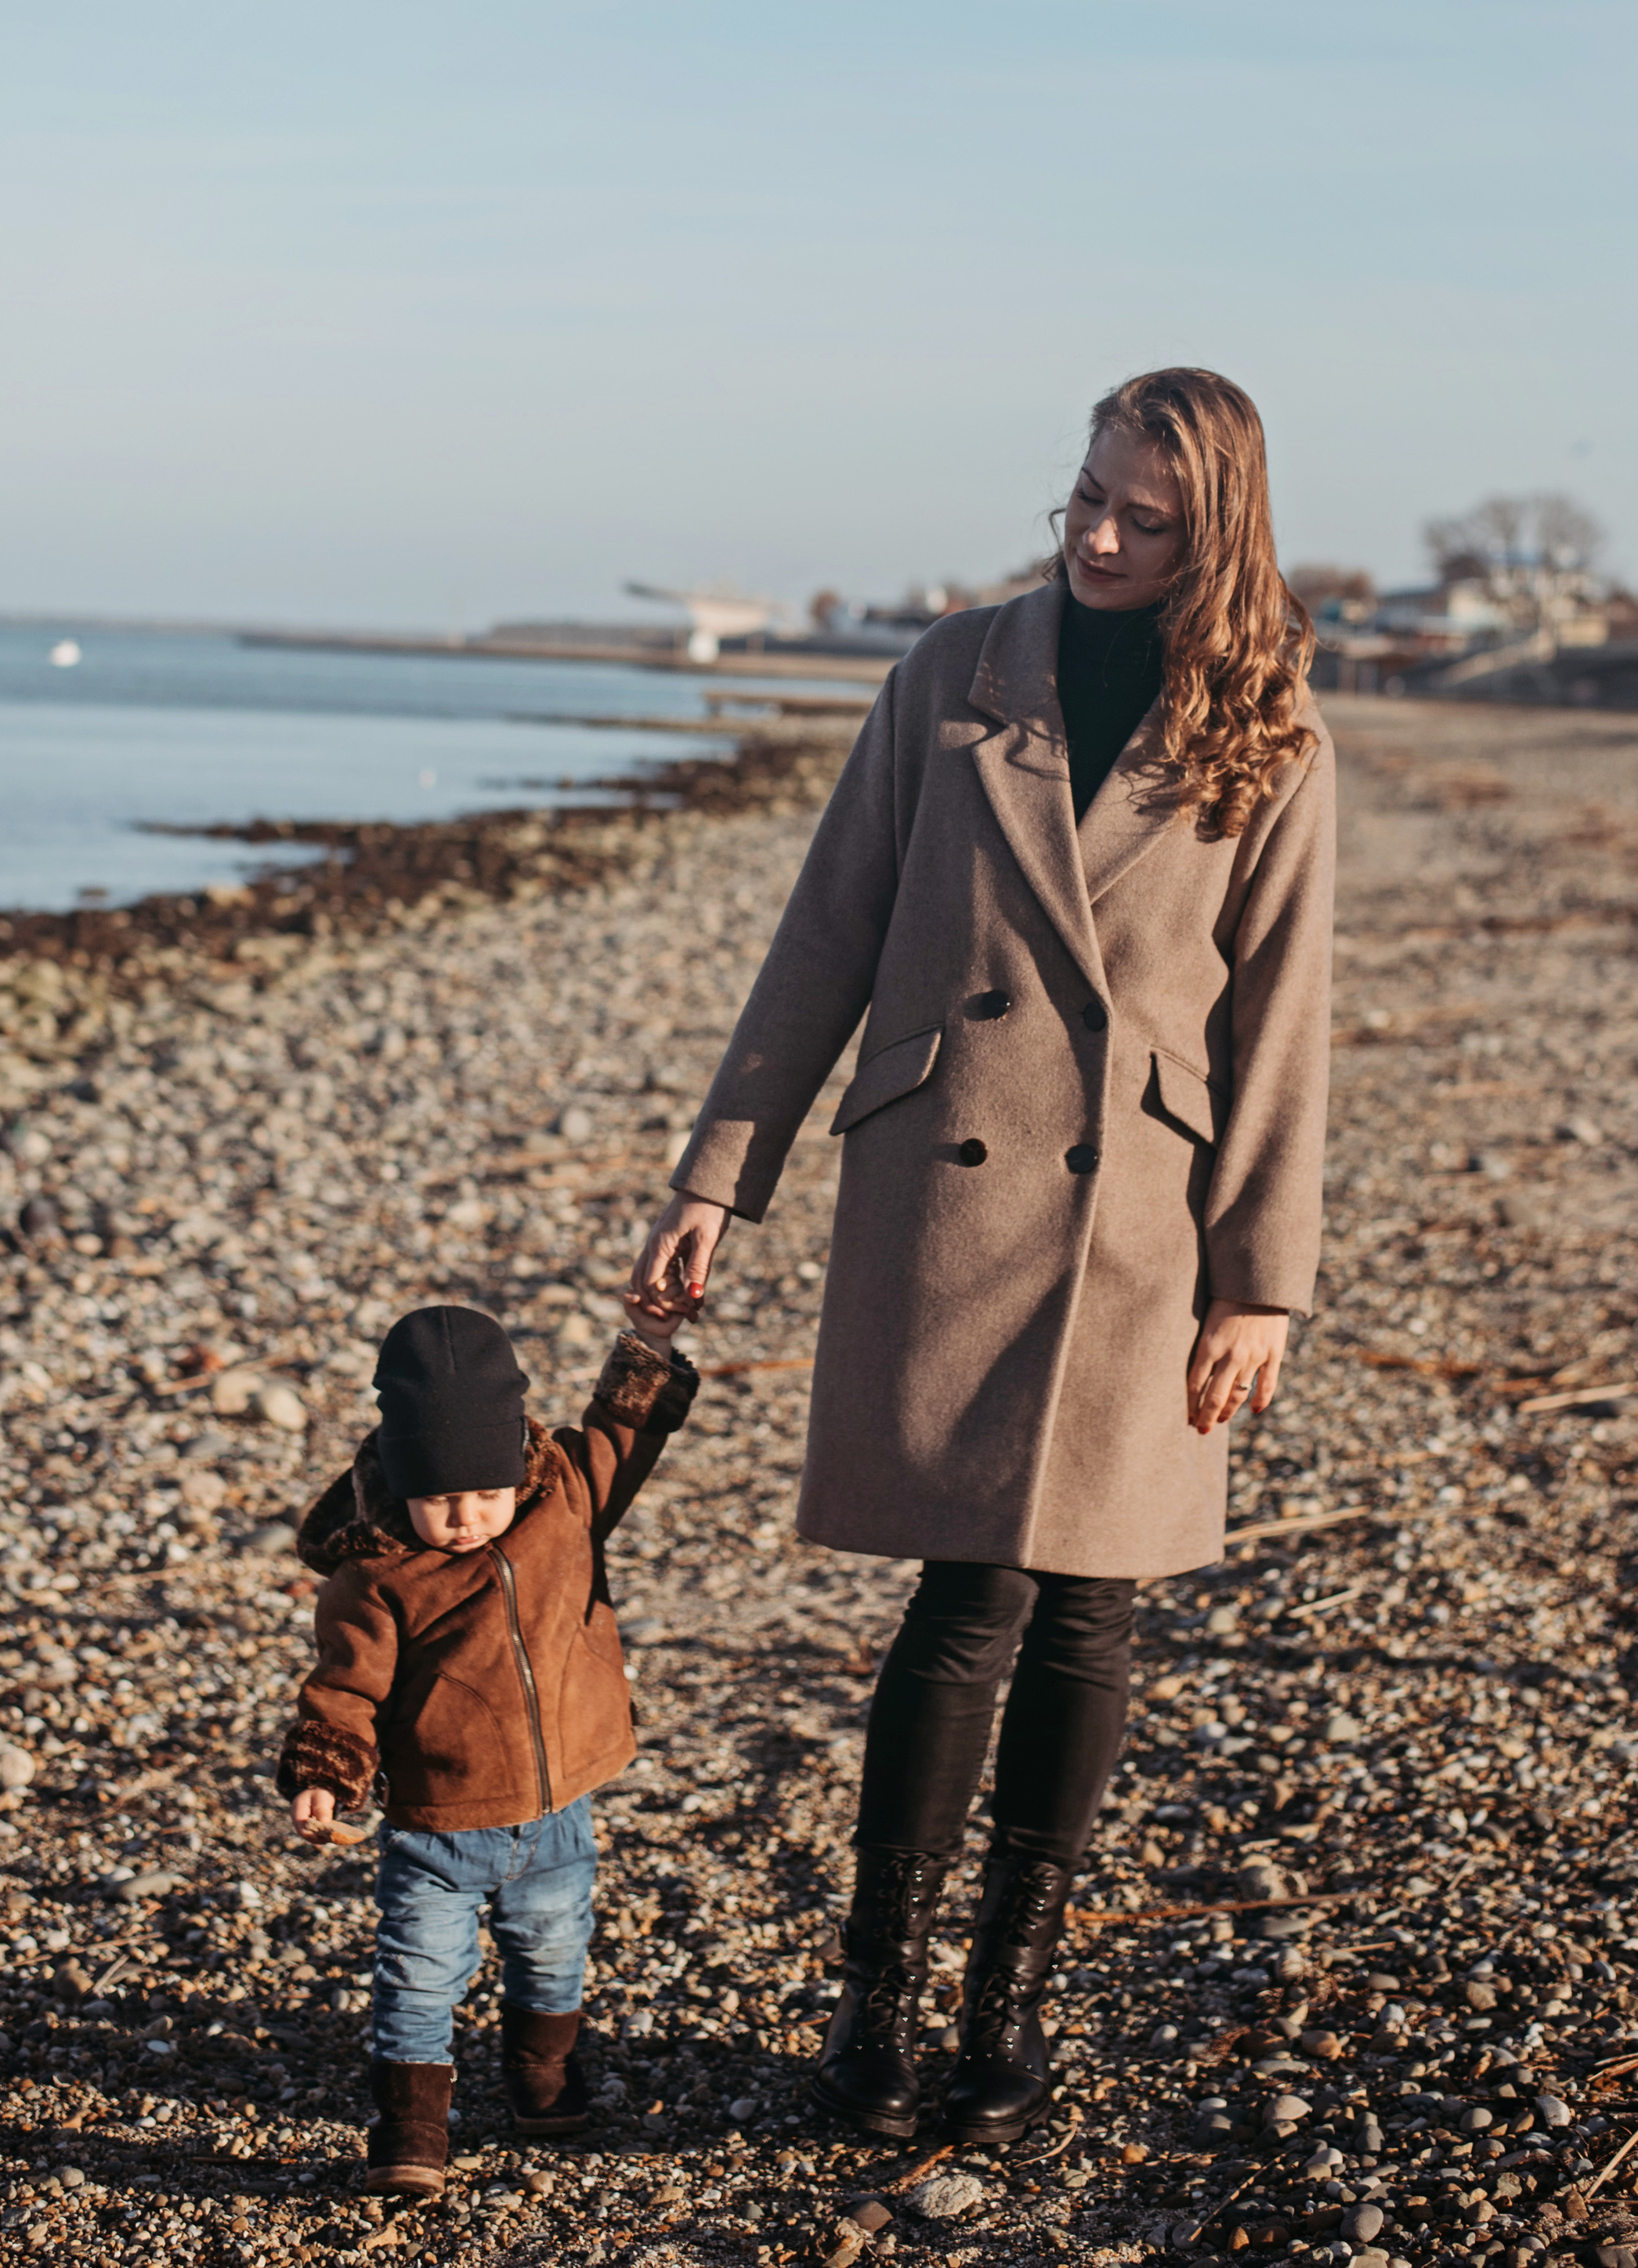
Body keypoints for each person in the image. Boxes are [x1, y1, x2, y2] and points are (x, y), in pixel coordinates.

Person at [630, 366, 1334, 2147]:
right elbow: (828, 930)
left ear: (1216, 533)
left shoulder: (1269, 733)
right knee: (966, 1599)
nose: (1097, 537)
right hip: (947, 1189)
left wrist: (1261, 1278)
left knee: (1090, 1603)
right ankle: (875, 1998)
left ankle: (1001, 2005)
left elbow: (1283, 1020)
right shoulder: (951, 675)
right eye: (1084, 496)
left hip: (1140, 1216)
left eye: (1143, 518)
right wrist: (718, 1176)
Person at [277, 1295, 696, 2197]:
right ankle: (411, 2124)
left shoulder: (565, 1498)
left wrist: (652, 1343)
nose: (467, 1518)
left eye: (485, 1494)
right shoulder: (375, 1572)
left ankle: (542, 2073)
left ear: (517, 1469)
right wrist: (326, 1772)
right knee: (418, 1974)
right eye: (439, 1500)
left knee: (554, 1948)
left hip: (558, 1809)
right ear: (402, 1482)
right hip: (438, 1820)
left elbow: (623, 1431)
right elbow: (345, 1688)